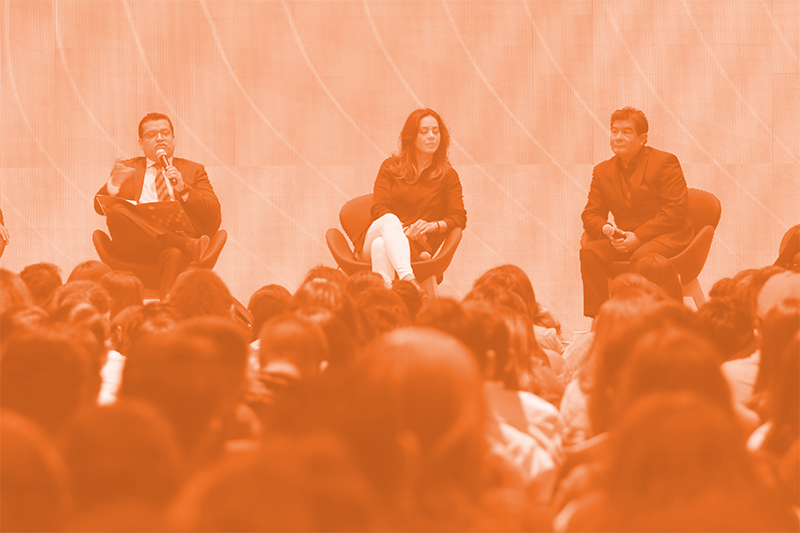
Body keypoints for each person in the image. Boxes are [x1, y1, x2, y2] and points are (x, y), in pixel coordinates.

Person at [580, 107, 693, 317]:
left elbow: (675, 210)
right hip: (625, 238)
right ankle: (602, 317)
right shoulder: (602, 171)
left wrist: (639, 237)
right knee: (590, 252)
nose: (618, 137)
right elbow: (591, 213)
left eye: (626, 132)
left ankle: (644, 318)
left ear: (643, 139)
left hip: (667, 235)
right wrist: (607, 230)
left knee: (642, 256)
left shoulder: (665, 162)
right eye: (614, 131)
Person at [93, 113, 221, 298]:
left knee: (175, 254)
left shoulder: (194, 170)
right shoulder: (128, 167)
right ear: (141, 143)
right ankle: (184, 243)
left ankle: (167, 310)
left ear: (174, 139)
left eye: (165, 133)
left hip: (171, 247)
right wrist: (113, 184)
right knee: (116, 211)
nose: (160, 138)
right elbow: (99, 207)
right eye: (152, 134)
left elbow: (213, 212)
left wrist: (183, 188)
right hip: (134, 245)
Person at [353, 108, 466, 291]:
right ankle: (410, 281)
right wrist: (404, 230)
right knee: (389, 221)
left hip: (415, 246)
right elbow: (379, 208)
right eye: (424, 131)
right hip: (378, 234)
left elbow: (459, 217)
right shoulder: (390, 167)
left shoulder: (448, 175)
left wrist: (433, 226)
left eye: (435, 131)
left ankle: (388, 301)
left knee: (380, 246)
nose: (431, 136)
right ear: (411, 137)